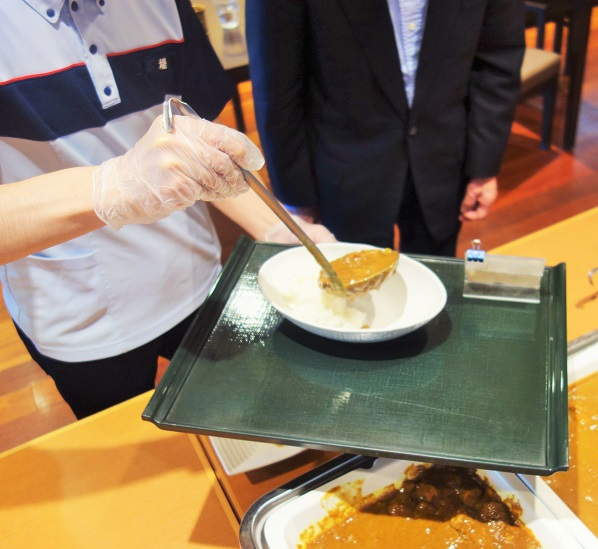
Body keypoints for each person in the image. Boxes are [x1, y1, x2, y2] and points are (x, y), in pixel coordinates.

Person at [0, 0, 334, 419]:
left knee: (234, 420)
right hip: (79, 314)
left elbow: (206, 146)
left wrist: (277, 230)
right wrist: (112, 186)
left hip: (201, 280)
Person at [245, 0, 525, 257]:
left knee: (433, 280)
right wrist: (295, 198)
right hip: (343, 170)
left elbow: (497, 60)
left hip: (443, 159)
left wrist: (483, 166)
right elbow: (277, 88)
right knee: (353, 297)